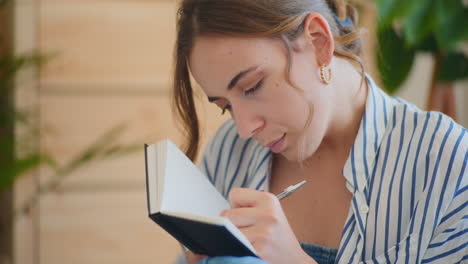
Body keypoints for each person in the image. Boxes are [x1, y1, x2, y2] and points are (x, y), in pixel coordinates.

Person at [170, 0, 468, 263]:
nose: (245, 128)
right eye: (226, 106)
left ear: (318, 41)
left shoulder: (446, 165)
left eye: (251, 87)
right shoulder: (228, 151)